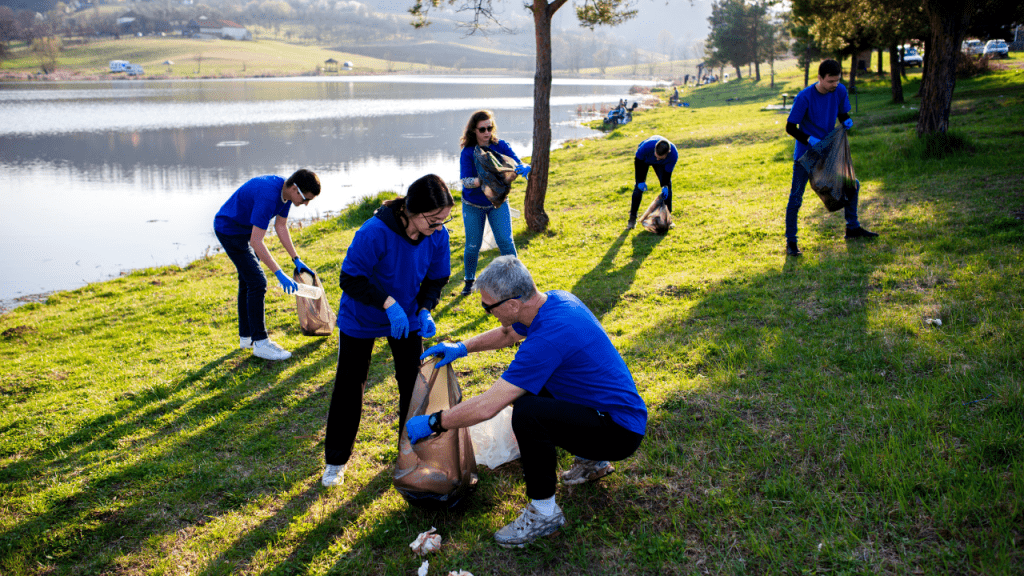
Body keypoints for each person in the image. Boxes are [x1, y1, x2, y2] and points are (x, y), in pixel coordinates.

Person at [410, 256, 647, 548]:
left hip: (618, 433)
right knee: (534, 391)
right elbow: (509, 333)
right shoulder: (554, 301)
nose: (487, 312)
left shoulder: (546, 339)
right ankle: (592, 462)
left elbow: (489, 405)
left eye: (488, 306)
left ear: (512, 304)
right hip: (615, 414)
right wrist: (462, 347)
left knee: (527, 413)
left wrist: (435, 422)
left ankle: (544, 513)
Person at [321, 174, 454, 487]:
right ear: (411, 210)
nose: (438, 227)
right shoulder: (375, 232)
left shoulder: (437, 236)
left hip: (406, 317)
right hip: (362, 316)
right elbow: (350, 278)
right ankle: (335, 461)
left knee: (413, 383)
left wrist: (424, 308)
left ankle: (410, 448)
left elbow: (437, 278)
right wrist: (387, 303)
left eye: (443, 220)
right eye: (433, 220)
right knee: (350, 384)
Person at [213, 169, 321, 361]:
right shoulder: (269, 197)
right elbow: (256, 242)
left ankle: (247, 338)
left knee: (248, 280)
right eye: (306, 199)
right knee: (257, 282)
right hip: (229, 229)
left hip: (243, 228)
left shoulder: (284, 195)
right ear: (296, 189)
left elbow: (280, 226)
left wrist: (296, 259)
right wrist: (279, 273)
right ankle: (261, 343)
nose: (305, 204)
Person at [784, 59, 877, 256]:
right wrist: (809, 139)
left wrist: (846, 120)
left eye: (837, 80)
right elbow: (790, 127)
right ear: (820, 78)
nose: (835, 85)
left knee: (852, 184)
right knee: (796, 199)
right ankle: (791, 242)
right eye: (830, 81)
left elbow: (842, 113)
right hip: (805, 155)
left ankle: (852, 228)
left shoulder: (840, 91)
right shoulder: (804, 97)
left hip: (828, 151)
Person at [458, 110, 530, 296]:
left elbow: (516, 163)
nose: (486, 132)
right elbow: (465, 181)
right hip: (473, 205)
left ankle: (517, 282)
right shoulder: (468, 153)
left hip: (498, 203)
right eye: (482, 129)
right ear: (474, 130)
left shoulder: (501, 146)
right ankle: (469, 281)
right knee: (472, 246)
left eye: (489, 128)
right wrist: (486, 178)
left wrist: (523, 167)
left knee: (506, 242)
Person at [627, 135, 678, 230]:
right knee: (638, 188)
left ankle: (667, 219)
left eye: (660, 157)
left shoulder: (673, 155)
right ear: (654, 149)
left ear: (668, 153)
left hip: (661, 165)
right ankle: (632, 219)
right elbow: (638, 162)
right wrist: (640, 181)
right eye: (657, 156)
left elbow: (667, 173)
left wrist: (664, 185)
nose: (657, 158)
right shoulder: (645, 147)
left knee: (668, 188)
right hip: (643, 161)